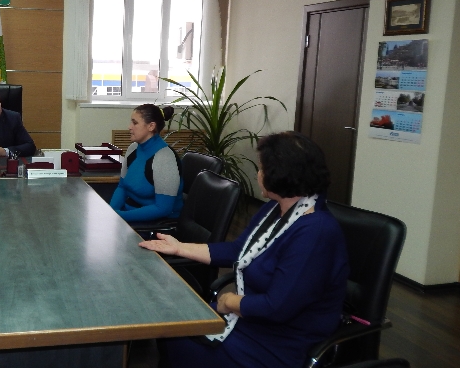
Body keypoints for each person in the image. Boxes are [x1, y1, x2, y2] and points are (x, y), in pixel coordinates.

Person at [139, 131, 349, 368]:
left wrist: (230, 301)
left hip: (278, 343)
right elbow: (238, 251)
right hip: (251, 321)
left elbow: (276, 307)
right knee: (171, 325)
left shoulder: (315, 233)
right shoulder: (276, 209)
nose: (258, 174)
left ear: (279, 175)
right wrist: (179, 248)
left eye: (261, 168)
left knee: (176, 337)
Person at [109, 104, 183, 222]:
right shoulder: (133, 148)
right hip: (130, 214)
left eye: (135, 123)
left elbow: (163, 209)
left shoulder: (165, 158)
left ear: (151, 126)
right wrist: (110, 212)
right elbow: (122, 187)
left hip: (155, 223)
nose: (129, 127)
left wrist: (119, 217)